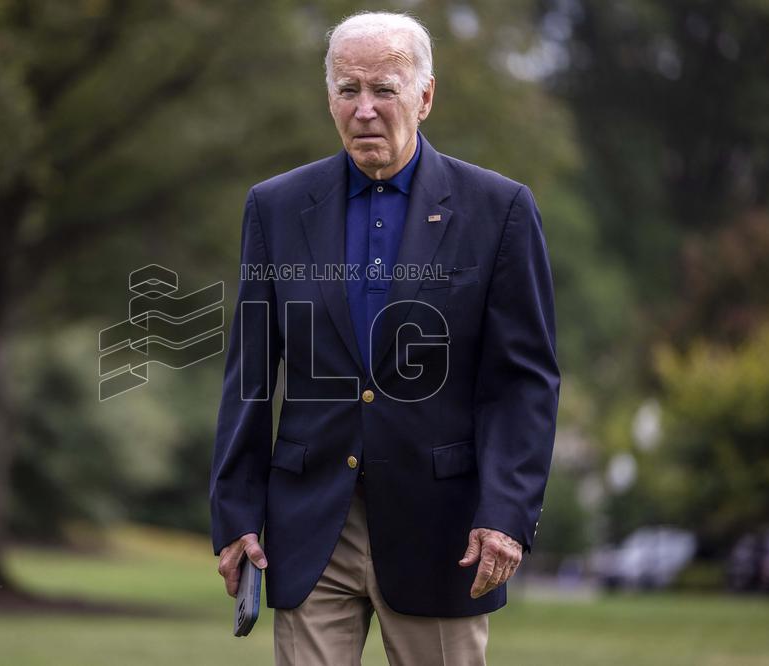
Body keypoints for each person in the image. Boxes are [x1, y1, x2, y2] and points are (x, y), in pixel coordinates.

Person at [210, 11, 559, 665]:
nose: (364, 109)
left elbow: (523, 381)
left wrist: (506, 510)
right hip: (312, 520)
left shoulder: (500, 210)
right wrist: (235, 513)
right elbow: (251, 372)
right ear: (330, 98)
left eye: (384, 89)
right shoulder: (275, 207)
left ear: (425, 97)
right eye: (348, 90)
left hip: (444, 528)